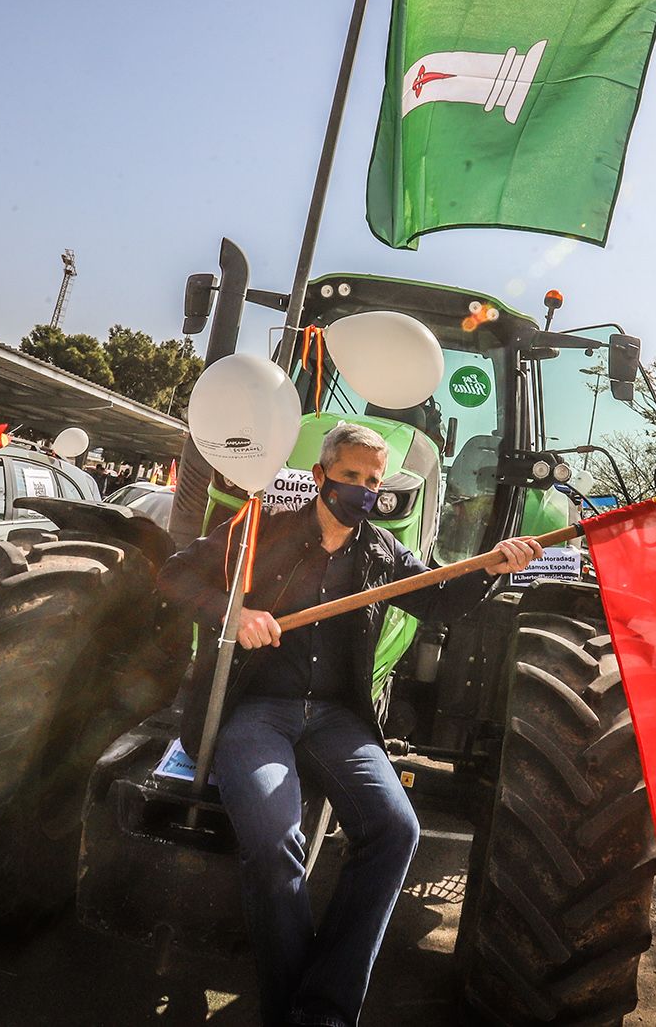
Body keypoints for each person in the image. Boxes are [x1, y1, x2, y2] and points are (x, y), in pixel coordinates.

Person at [157, 421, 541, 1027]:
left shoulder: (383, 552)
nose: (363, 490)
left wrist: (493, 568)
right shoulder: (261, 531)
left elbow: (439, 602)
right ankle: (290, 1005)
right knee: (274, 839)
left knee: (395, 831)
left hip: (338, 721)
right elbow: (176, 575)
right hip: (257, 711)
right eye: (351, 477)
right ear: (320, 476)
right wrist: (238, 611)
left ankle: (327, 1006)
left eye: (373, 480)